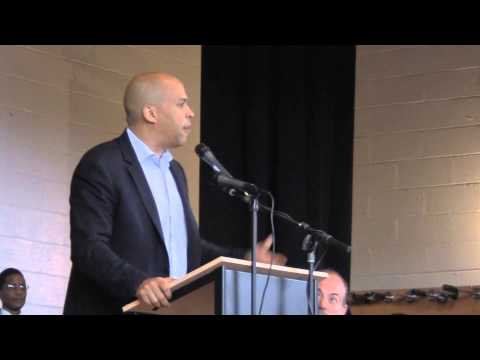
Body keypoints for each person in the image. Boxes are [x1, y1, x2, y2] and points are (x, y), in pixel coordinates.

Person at [64, 72, 286, 315]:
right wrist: (139, 282)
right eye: (181, 104)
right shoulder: (103, 164)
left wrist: (244, 258)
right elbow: (89, 248)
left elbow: (186, 246)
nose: (190, 112)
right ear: (151, 113)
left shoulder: (174, 171)